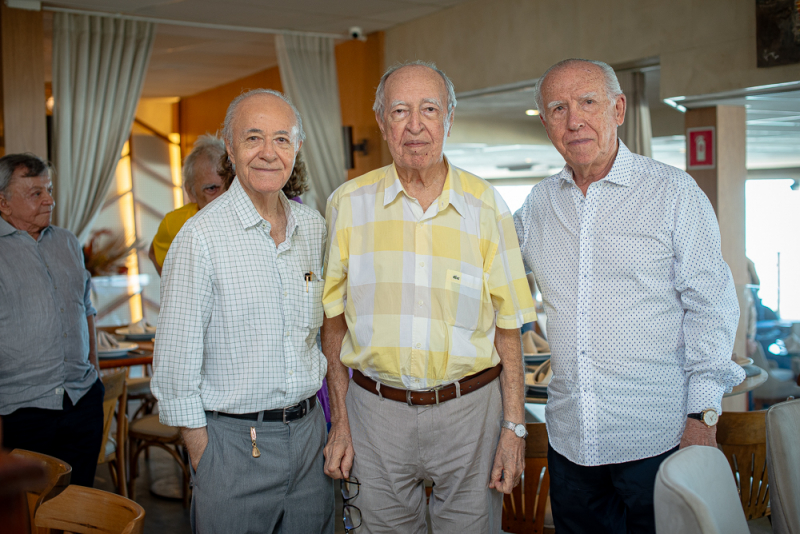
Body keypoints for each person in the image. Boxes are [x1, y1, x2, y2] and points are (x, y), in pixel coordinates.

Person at [513, 58, 745, 534]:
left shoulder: (674, 193)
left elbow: (712, 308)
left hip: (660, 439)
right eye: (557, 108)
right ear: (546, 122)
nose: (573, 120)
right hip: (571, 444)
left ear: (618, 109)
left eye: (587, 102)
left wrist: (702, 418)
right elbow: (484, 273)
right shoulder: (538, 205)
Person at [322, 61, 537, 534]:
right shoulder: (347, 204)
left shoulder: (487, 206)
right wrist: (340, 420)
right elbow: (332, 323)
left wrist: (514, 428)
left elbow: (509, 330)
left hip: (471, 415)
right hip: (375, 414)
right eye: (400, 110)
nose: (415, 125)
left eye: (429, 109)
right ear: (382, 122)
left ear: (449, 119)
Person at [151, 89, 333, 534]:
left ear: (297, 148)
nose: (269, 152)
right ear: (230, 150)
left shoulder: (314, 229)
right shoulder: (199, 239)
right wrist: (206, 457)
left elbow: (323, 333)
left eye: (281, 139)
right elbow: (174, 368)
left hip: (311, 440)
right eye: (253, 138)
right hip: (233, 447)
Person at [0, 153, 104, 487]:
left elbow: (85, 307)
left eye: (49, 190)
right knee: (29, 508)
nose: (50, 200)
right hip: (22, 409)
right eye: (36, 193)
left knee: (80, 500)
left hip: (81, 398)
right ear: (3, 203)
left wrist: (94, 370)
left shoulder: (67, 241)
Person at [148, 134, 227, 275]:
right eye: (212, 189)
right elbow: (154, 254)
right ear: (191, 192)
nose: (225, 197)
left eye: (231, 186)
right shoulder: (174, 223)